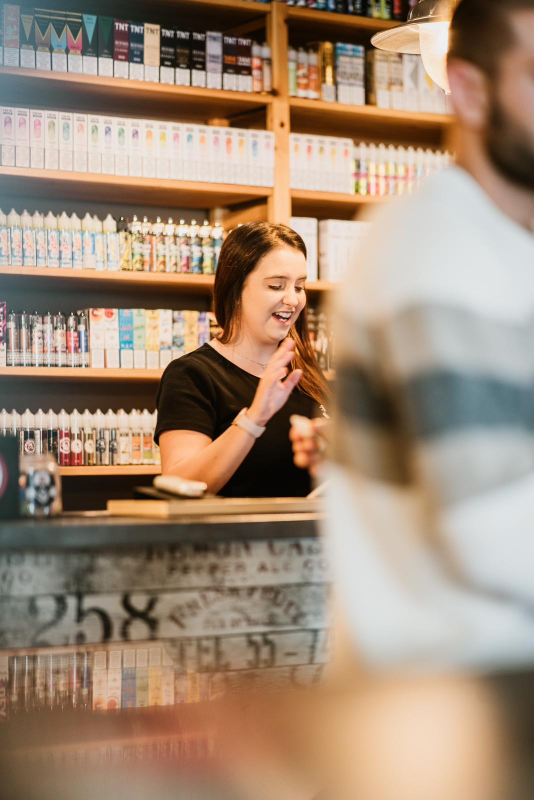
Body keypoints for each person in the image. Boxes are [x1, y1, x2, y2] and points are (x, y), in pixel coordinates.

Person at [294, 0, 534, 670]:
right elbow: (490, 527)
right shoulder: (439, 243)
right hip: (451, 715)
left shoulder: (509, 248)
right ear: (468, 90)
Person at [155, 222, 329, 497]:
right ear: (236, 289)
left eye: (299, 286)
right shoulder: (193, 374)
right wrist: (254, 418)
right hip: (236, 540)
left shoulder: (303, 368)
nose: (293, 299)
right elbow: (178, 485)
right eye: (276, 285)